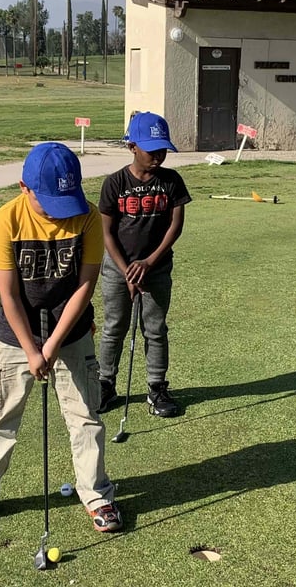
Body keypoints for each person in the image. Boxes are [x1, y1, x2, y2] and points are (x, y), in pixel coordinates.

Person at [0, 142, 122, 533]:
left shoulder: (88, 217)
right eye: (49, 202)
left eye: (66, 200)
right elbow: (8, 295)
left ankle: (96, 495)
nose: (60, 213)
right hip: (14, 335)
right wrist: (31, 349)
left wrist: (52, 345)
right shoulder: (6, 220)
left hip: (71, 332)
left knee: (85, 417)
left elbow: (85, 287)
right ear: (24, 187)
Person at [96, 112, 192, 418]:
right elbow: (107, 233)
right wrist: (127, 271)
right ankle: (105, 384)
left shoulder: (171, 181)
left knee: (155, 329)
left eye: (163, 149)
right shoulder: (115, 183)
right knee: (114, 327)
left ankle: (156, 388)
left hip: (156, 268)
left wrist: (149, 263)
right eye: (152, 150)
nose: (158, 156)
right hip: (118, 269)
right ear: (132, 147)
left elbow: (175, 227)